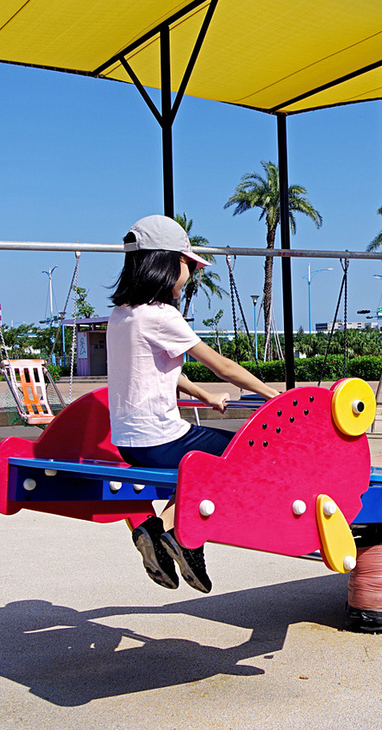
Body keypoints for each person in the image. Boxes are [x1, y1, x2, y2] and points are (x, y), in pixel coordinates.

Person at [107, 214, 279, 594]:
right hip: (161, 440)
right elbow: (223, 366)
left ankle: (153, 529)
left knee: (196, 461)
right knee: (241, 451)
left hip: (128, 442)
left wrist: (203, 395)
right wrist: (274, 396)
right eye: (188, 264)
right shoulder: (162, 315)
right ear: (166, 263)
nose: (190, 274)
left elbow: (158, 372)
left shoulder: (120, 317)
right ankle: (179, 534)